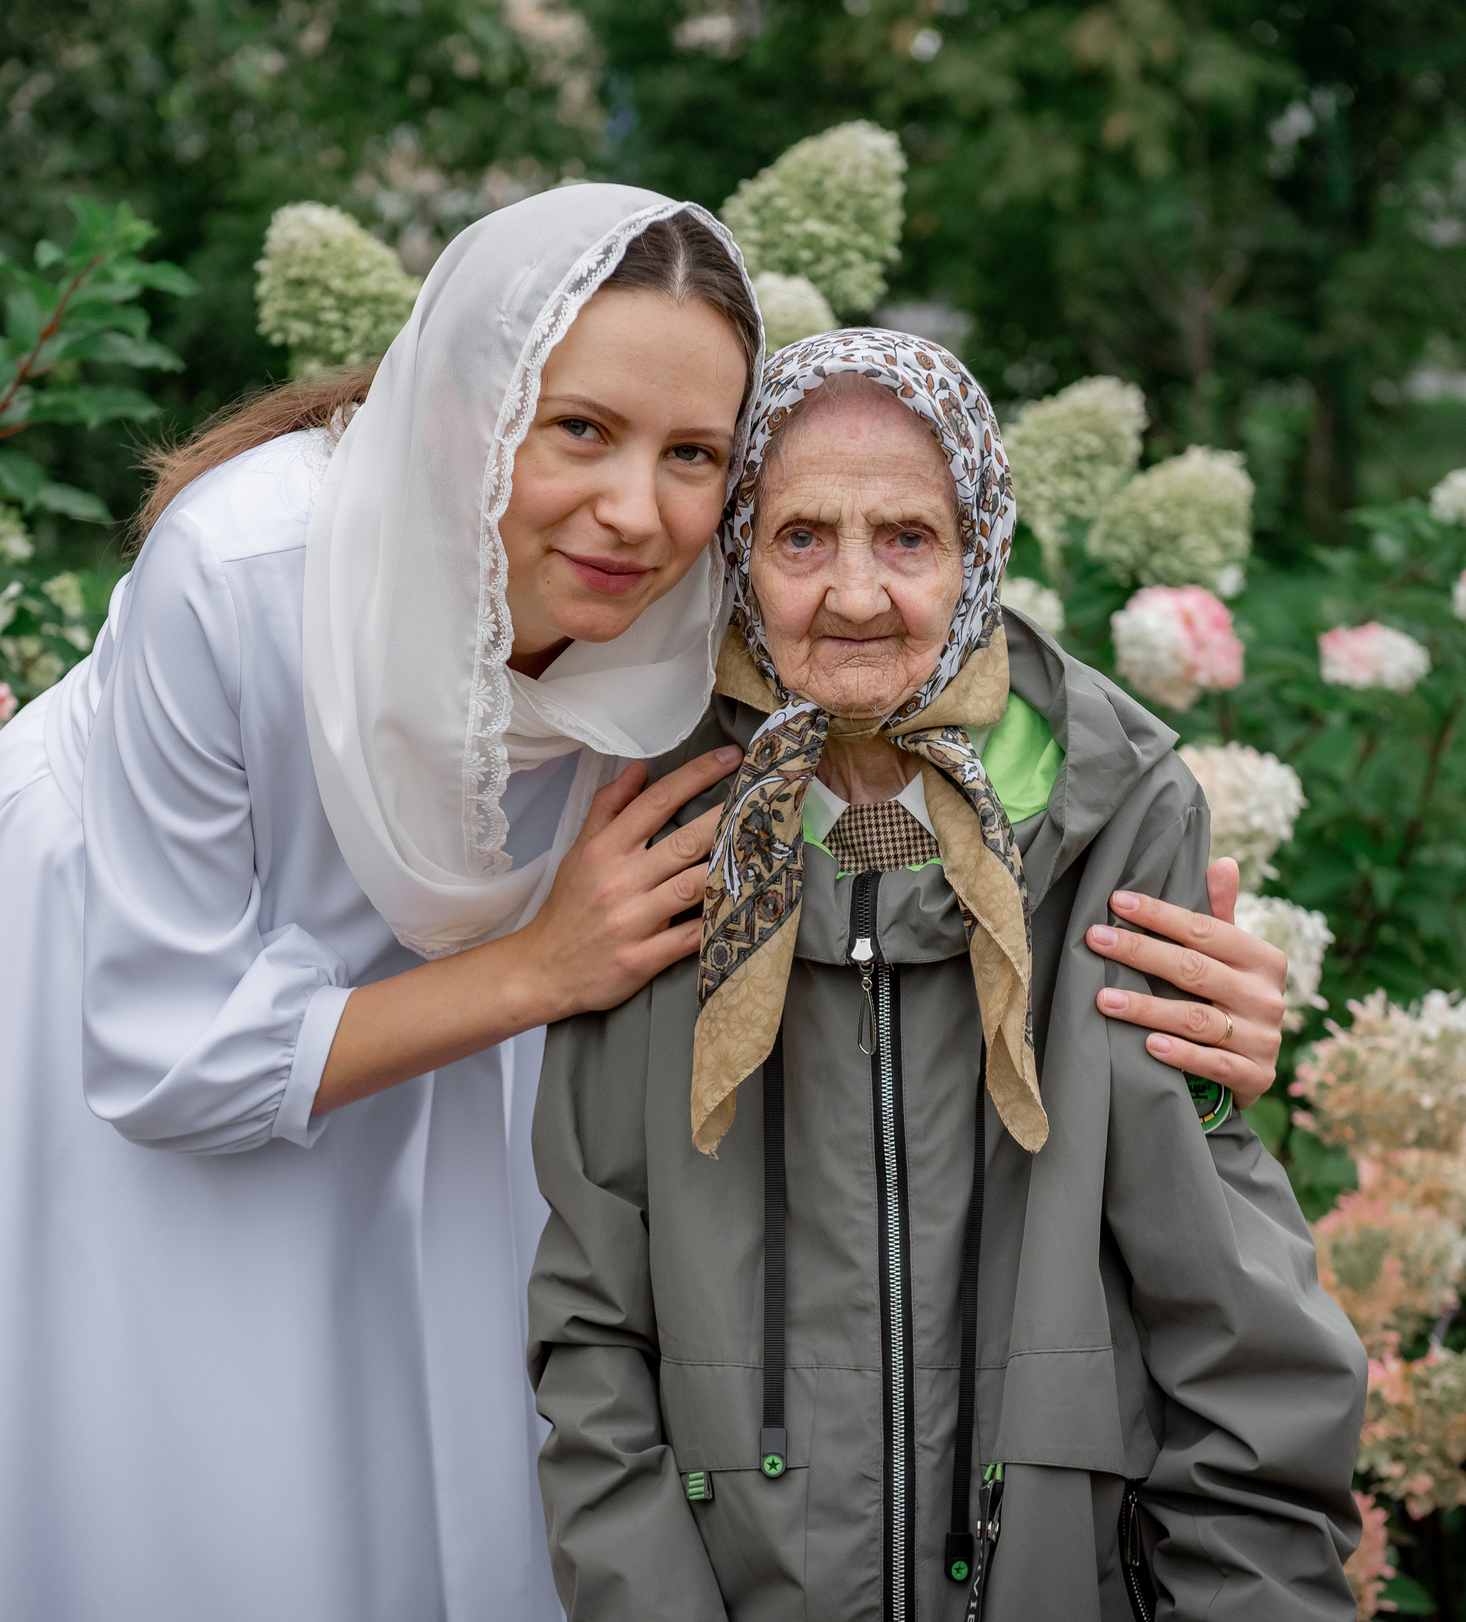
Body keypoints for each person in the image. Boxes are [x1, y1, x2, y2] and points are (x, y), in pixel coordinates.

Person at [0, 182, 1295, 1619]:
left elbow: (922, 723)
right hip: (120, 984)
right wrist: (537, 970)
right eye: (579, 428)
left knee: (432, 1463)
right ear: (463, 412)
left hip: (473, 1012)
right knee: (176, 1471)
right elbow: (165, 1054)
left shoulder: (718, 577)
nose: (636, 512)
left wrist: (1184, 997)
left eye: (696, 455)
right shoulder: (240, 571)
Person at [528, 333, 1368, 1622]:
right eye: (801, 536)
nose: (854, 595)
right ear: (737, 554)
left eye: (908, 538)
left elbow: (1230, 1320)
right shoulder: (660, 821)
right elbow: (592, 1333)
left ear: (980, 548)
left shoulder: (1112, 823)